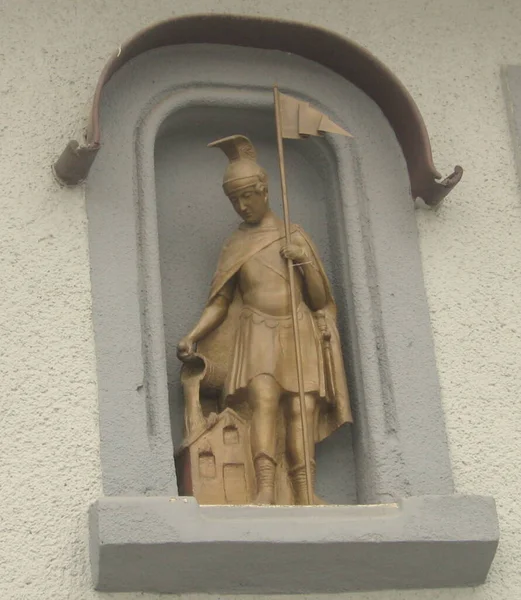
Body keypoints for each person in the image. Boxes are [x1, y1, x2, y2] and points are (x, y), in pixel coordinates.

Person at [177, 135, 351, 505]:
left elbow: (321, 300)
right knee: (263, 406)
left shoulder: (295, 235)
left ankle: (305, 491)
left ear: (265, 190)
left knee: (301, 410)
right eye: (234, 200)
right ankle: (266, 488)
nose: (242, 206)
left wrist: (302, 259)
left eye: (247, 196)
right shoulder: (234, 244)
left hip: (298, 328)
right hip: (257, 330)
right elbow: (220, 302)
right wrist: (193, 335)